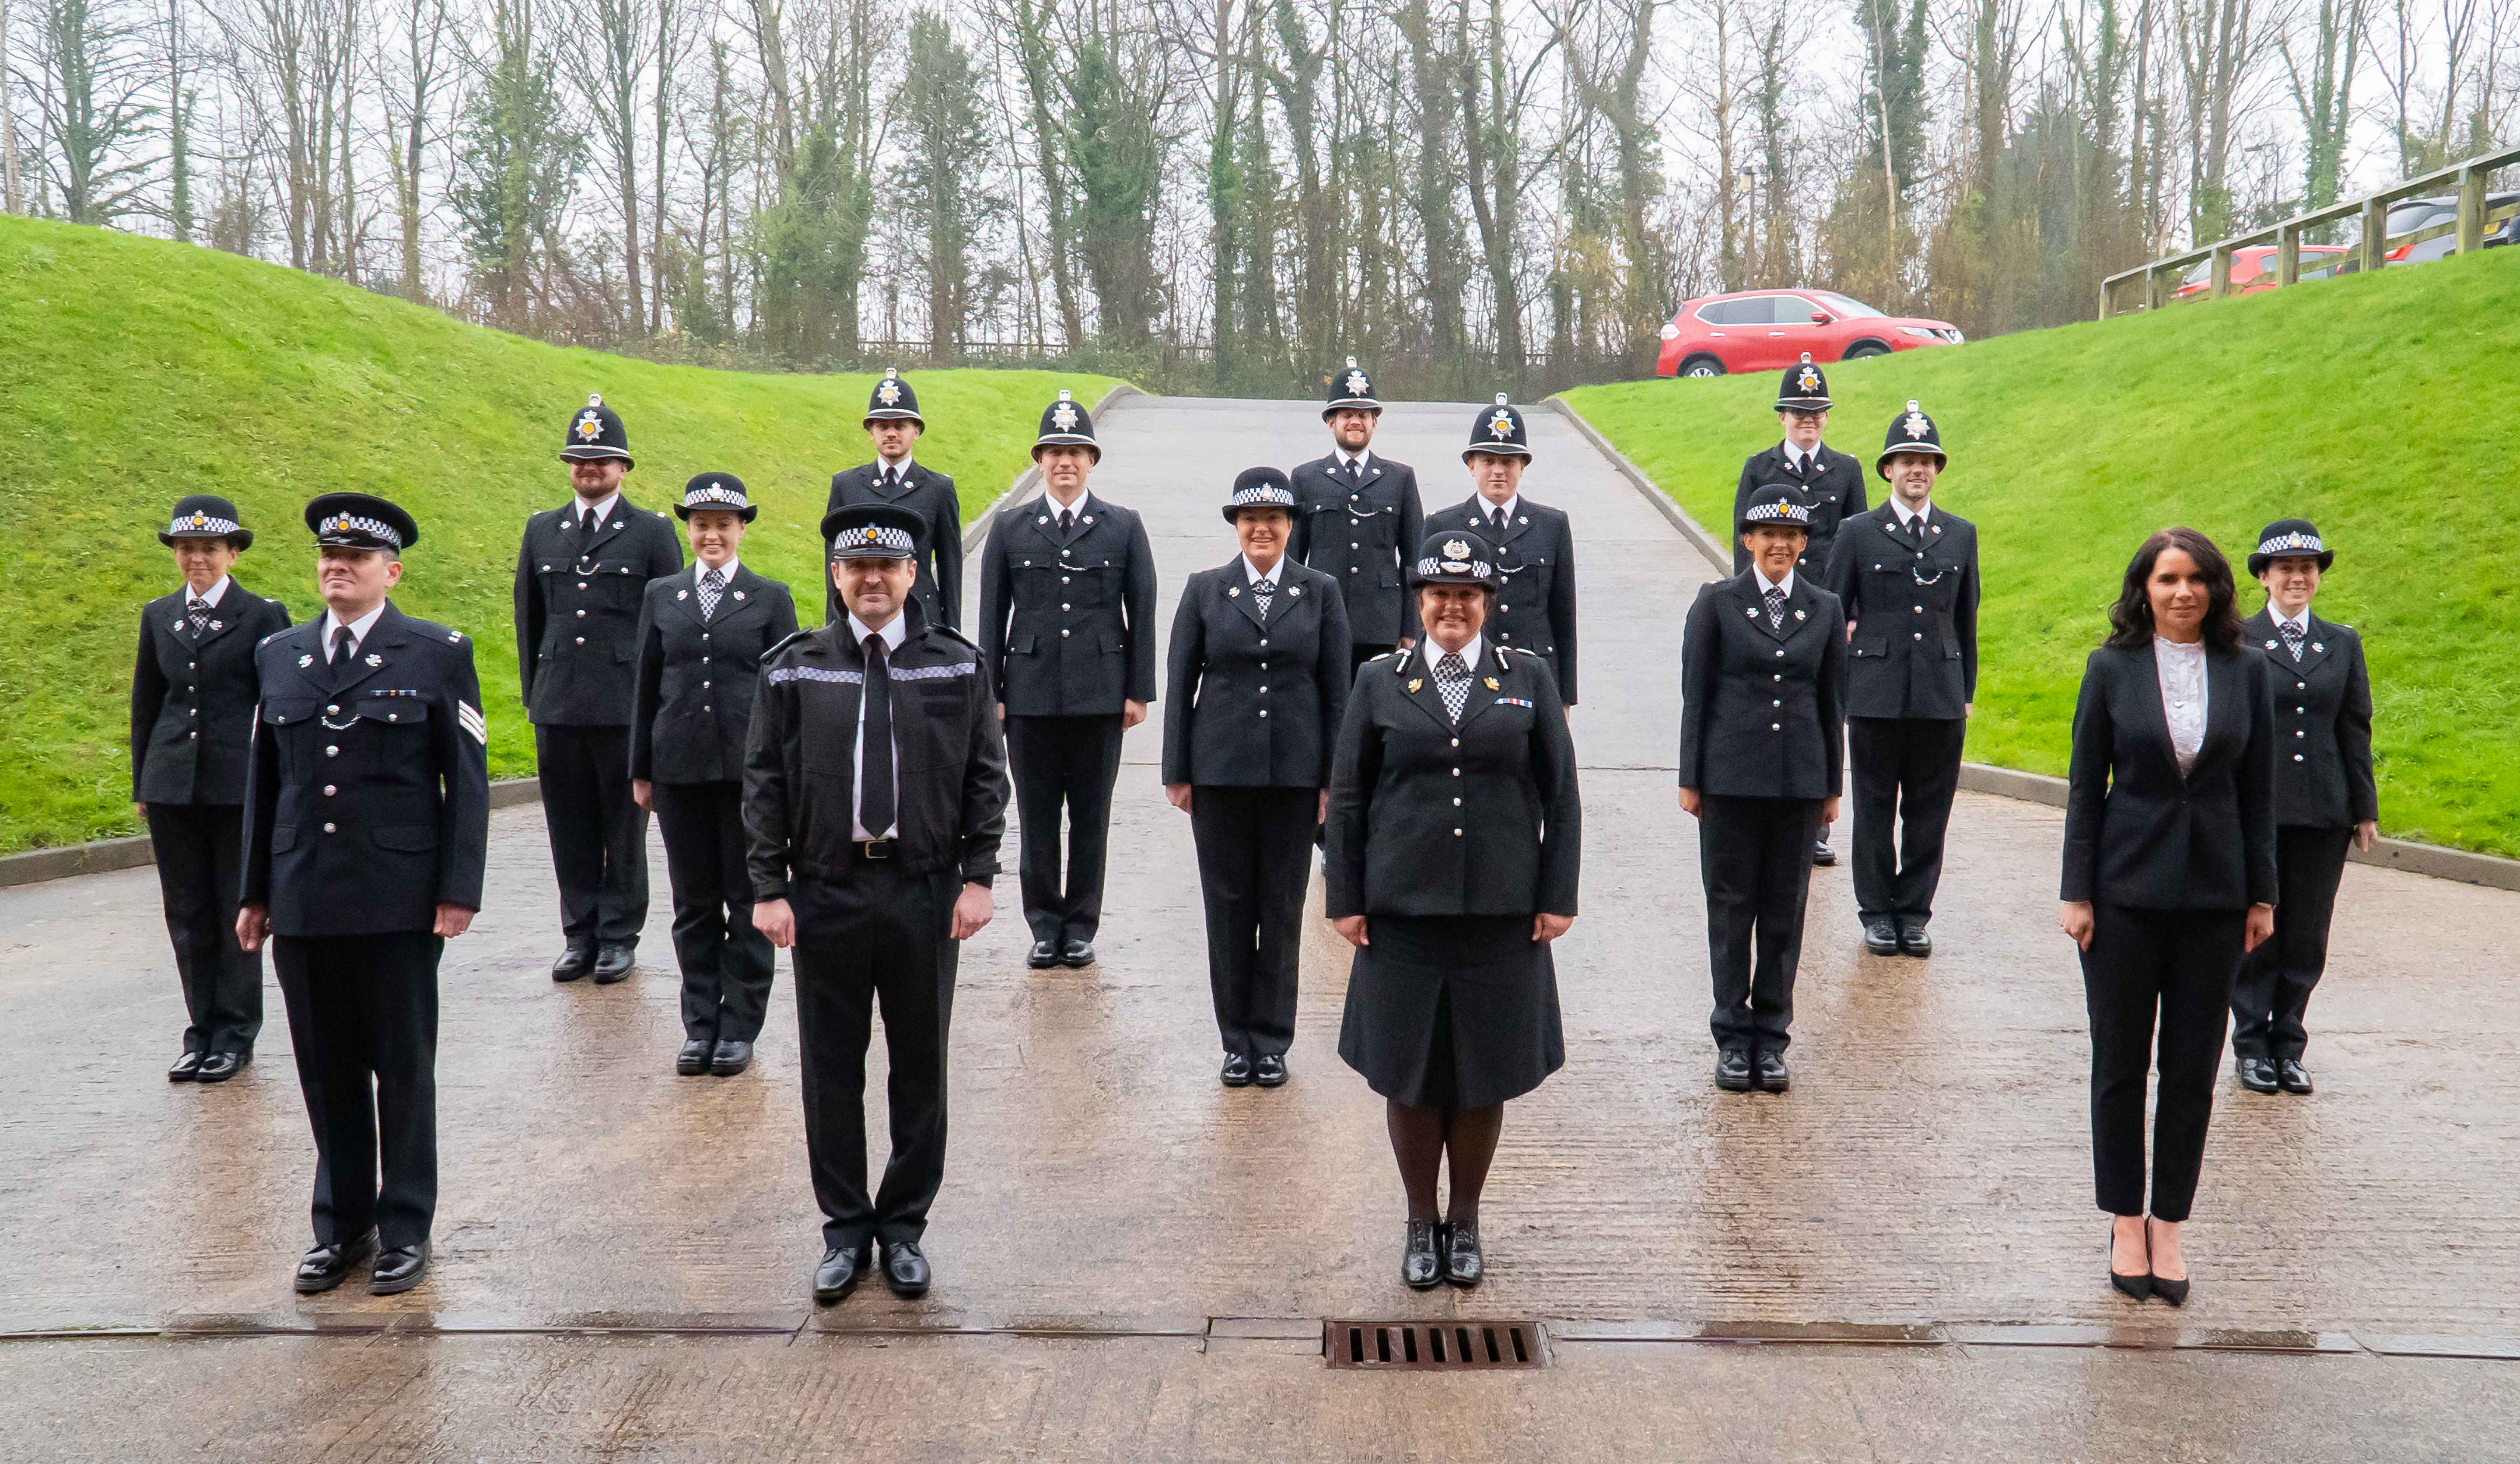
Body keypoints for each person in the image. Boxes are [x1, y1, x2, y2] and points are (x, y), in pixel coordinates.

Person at [745, 502, 1008, 1305]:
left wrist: (980, 876)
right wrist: (768, 886)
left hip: (924, 890)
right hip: (824, 889)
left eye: (886, 567)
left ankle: (902, 1229)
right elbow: (763, 780)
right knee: (830, 1067)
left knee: (919, 1067)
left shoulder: (955, 665)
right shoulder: (794, 667)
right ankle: (844, 1230)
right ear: (836, 576)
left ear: (911, 575)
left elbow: (983, 776)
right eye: (856, 568)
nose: (871, 580)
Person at [237, 493, 490, 1297]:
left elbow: (469, 782)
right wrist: (254, 892)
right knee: (325, 1071)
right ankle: (342, 1225)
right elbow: (264, 783)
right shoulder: (281, 654)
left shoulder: (437, 652)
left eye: (354, 556)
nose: (335, 566)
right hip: (305, 896)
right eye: (326, 554)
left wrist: (458, 888)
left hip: (398, 900)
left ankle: (405, 1227)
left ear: (392, 570)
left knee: (403, 1071)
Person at [1328, 530, 1579, 1289]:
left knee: (1483, 1076)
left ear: (1488, 605)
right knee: (1410, 1075)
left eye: (1467, 596)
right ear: (1420, 601)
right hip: (1402, 912)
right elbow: (1347, 797)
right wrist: (1346, 897)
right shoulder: (1380, 681)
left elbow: (1561, 795)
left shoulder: (1526, 678)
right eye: (1439, 594)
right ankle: (1418, 1219)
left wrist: (1557, 896)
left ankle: (1464, 1219)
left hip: (1501, 914)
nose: (1452, 608)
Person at [2058, 527, 2277, 1307]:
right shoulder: (2110, 668)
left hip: (2216, 900)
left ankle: (2170, 1225)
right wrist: (2076, 892)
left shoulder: (2248, 670)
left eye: (2197, 580)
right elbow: (2087, 784)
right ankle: (2124, 1217)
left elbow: (2259, 792)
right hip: (2122, 895)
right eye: (2167, 579)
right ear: (2143, 590)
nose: (2183, 592)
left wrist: (2264, 894)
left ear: (2218, 589)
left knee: (2191, 1069)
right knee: (2120, 1065)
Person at [1162, 468, 1351, 1088]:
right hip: (1220, 774)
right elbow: (1182, 680)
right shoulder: (1206, 590)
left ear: (1290, 526)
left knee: (1283, 905)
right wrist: (1178, 770)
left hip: (1296, 777)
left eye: (1274, 518)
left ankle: (1271, 1039)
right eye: (1250, 519)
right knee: (1228, 907)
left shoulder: (1320, 591)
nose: (1262, 528)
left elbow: (1336, 693)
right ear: (1237, 527)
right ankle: (1235, 1040)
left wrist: (1333, 779)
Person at [974, 388, 1158, 970]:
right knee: (1036, 817)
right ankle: (1043, 923)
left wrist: (1138, 690)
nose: (1064, 462)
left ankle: (1080, 924)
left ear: (1092, 460)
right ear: (1039, 461)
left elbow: (1143, 610)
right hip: (1028, 696)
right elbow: (990, 615)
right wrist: (993, 694)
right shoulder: (1010, 528)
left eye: (1076, 451)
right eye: (1053, 451)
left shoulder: (1123, 527)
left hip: (1100, 695)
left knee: (1090, 819)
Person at [1678, 485, 1847, 1094]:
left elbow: (1832, 701)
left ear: (1804, 543)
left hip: (1799, 783)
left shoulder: (1824, 607)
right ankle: (1732, 1034)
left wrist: (1832, 784)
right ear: (1747, 539)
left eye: (1792, 535)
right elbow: (1696, 695)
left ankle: (1771, 1039)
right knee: (1730, 910)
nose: (1780, 544)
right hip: (1729, 782)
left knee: (1784, 912)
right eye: (1768, 533)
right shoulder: (1717, 603)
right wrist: (1691, 777)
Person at [631, 475, 800, 1079]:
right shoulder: (663, 594)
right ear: (689, 530)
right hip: (678, 771)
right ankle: (700, 1025)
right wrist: (641, 770)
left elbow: (789, 694)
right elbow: (647, 684)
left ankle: (739, 1027)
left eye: (723, 524)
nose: (712, 534)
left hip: (747, 776)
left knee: (748, 897)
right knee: (693, 904)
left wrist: (785, 775)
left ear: (742, 529)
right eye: (702, 524)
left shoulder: (769, 597)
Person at [514, 393, 684, 983]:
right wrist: (534, 692)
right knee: (568, 824)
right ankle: (579, 932)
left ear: (623, 468)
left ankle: (618, 935)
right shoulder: (542, 531)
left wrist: (662, 702)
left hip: (623, 703)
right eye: (581, 460)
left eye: (602, 460)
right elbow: (529, 617)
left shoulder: (653, 533)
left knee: (623, 825)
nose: (590, 469)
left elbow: (669, 625)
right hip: (559, 701)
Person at [131, 495, 291, 1084]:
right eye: (186, 548)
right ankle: (200, 1030)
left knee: (235, 907)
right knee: (188, 912)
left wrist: (282, 779)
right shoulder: (159, 614)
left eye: (208, 549)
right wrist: (143, 781)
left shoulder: (262, 615)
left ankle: (236, 1033)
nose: (196, 558)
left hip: (237, 784)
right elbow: (147, 702)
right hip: (173, 783)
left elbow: (280, 701)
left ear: (232, 553)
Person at [1824, 401, 1978, 957]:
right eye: (1906, 460)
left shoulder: (1960, 534)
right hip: (1875, 692)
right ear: (1887, 469)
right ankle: (1877, 912)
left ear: (1938, 470)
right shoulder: (1858, 533)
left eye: (1927, 461)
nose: (1918, 470)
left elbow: (1966, 618)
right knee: (1874, 806)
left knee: (1929, 809)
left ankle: (1914, 911)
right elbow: (1831, 614)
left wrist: (1966, 691)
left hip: (1939, 691)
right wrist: (1838, 692)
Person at [2231, 519, 2376, 1096]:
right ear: (2264, 576)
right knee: (2259, 924)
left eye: (2308, 568)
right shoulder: (2237, 640)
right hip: (2258, 809)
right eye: (2286, 568)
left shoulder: (2341, 642)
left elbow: (2354, 728)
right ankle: (2250, 1045)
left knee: (2308, 932)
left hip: (2323, 809)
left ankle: (2289, 1043)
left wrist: (2364, 807)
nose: (2298, 578)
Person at [1733, 354, 1866, 866]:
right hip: (1768, 608)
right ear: (1782, 416)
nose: (1807, 420)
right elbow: (1742, 542)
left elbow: (1857, 543)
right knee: (1770, 705)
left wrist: (1851, 611)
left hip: (1823, 611)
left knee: (1821, 710)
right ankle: (1765, 805)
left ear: (1826, 418)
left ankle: (1815, 820)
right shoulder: (1759, 468)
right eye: (1798, 411)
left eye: (1816, 413)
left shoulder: (1847, 469)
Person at [1423, 396, 1579, 707]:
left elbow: (1564, 619)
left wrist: (1564, 700)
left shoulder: (1552, 525)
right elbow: (1427, 614)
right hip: (1464, 673)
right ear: (1471, 465)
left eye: (1508, 462)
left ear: (1523, 467)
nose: (1498, 471)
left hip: (1536, 674)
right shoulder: (1442, 525)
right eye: (1488, 461)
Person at [1289, 358, 1422, 668]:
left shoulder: (1400, 479)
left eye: (1363, 415)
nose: (1355, 422)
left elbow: (1415, 559)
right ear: (1330, 422)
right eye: (1346, 414)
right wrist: (1293, 621)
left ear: (1375, 422)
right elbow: (1293, 559)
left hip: (1382, 626)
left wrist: (1410, 628)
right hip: (1320, 620)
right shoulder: (1306, 479)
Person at [822, 367, 962, 630]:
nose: (891, 434)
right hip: (862, 615)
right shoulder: (846, 485)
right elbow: (835, 564)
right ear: (871, 432)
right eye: (883, 426)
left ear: (916, 431)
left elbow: (950, 566)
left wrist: (952, 631)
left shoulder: (939, 489)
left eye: (900, 425)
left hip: (921, 620)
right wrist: (834, 627)